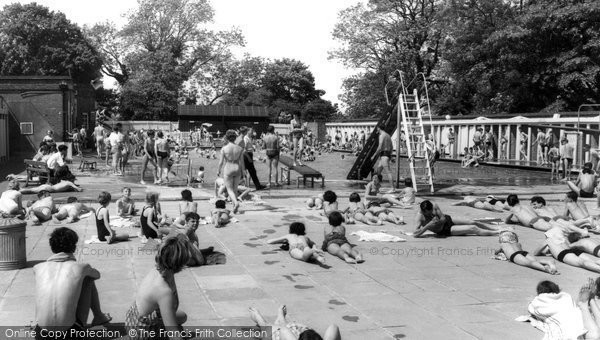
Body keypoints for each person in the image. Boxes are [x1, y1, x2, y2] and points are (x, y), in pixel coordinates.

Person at [34, 227, 112, 333]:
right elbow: (97, 275)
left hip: (41, 333)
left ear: (52, 248)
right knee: (88, 279)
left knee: (46, 284)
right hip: (71, 333)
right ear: (74, 247)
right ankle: (98, 315)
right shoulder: (81, 267)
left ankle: (36, 321)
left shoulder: (38, 267)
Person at [125, 235, 189, 339]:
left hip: (133, 318)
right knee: (177, 329)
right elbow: (174, 335)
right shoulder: (163, 291)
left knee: (182, 317)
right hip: (141, 332)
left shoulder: (159, 270)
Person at [414, 200, 504, 237]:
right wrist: (428, 225)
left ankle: (494, 228)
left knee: (472, 221)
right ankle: (496, 233)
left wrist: (439, 221)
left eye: (431, 212)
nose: (430, 214)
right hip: (445, 230)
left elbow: (443, 218)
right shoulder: (420, 217)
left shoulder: (434, 206)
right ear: (423, 211)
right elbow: (415, 234)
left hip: (448, 220)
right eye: (428, 213)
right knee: (473, 228)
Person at [249, 305, 341, 340]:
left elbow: (334, 327)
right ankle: (258, 316)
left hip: (299, 331)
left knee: (278, 326)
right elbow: (283, 330)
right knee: (265, 327)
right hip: (292, 331)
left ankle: (281, 318)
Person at [534, 232, 600, 273]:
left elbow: (535, 253)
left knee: (582, 263)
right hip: (571, 250)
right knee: (592, 261)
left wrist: (549, 252)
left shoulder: (549, 240)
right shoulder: (564, 240)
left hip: (563, 253)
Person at [217, 130, 245, 214]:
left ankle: (236, 203)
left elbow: (221, 162)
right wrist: (244, 172)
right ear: (235, 138)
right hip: (237, 168)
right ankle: (234, 207)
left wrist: (218, 170)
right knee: (235, 189)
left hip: (228, 167)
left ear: (227, 138)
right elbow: (242, 162)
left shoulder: (224, 148)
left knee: (229, 189)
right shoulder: (239, 148)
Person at [371, 124, 395, 190]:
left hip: (384, 155)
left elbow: (380, 147)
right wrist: (391, 156)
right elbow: (391, 147)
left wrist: (374, 155)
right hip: (386, 155)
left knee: (388, 172)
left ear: (379, 128)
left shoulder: (381, 135)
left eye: (377, 128)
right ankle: (376, 187)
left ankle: (393, 188)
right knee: (378, 171)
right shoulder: (388, 135)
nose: (377, 130)